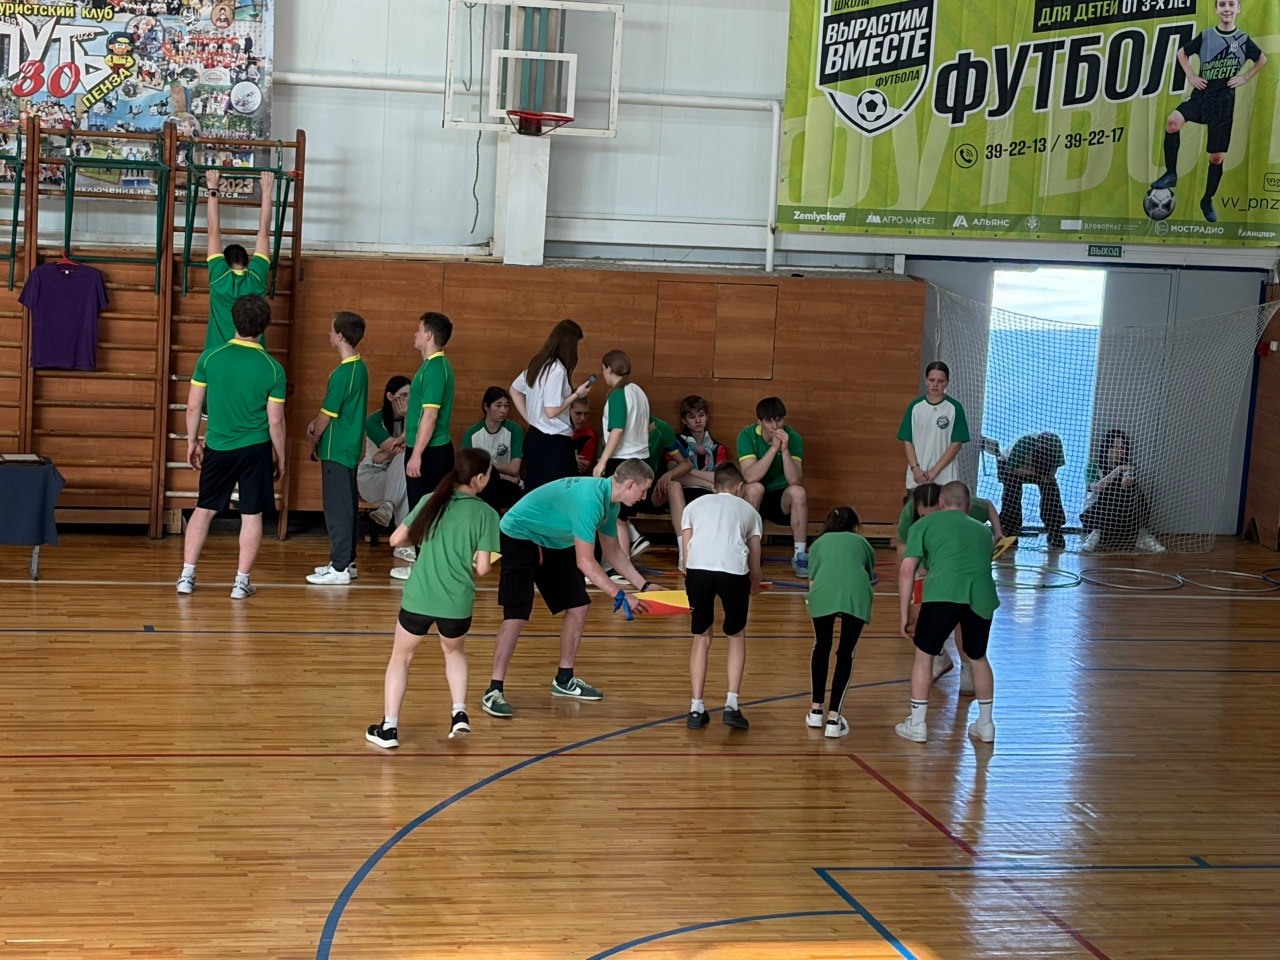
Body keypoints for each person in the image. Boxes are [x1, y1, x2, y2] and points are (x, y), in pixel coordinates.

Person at [483, 460, 660, 719]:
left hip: (553, 540)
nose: (644, 497)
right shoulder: (590, 501)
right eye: (643, 490)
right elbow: (585, 562)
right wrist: (621, 595)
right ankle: (494, 689)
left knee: (579, 604)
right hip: (519, 534)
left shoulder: (610, 503)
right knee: (517, 613)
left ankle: (564, 679)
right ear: (630, 484)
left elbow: (612, 551)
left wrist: (643, 585)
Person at [365, 450, 500, 748]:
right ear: (479, 478)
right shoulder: (487, 514)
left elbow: (395, 539)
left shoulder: (431, 499)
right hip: (457, 602)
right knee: (454, 652)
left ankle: (389, 728)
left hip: (420, 597)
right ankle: (459, 713)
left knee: (401, 657)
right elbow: (482, 568)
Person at [177, 294, 285, 599]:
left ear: (233, 321)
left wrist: (192, 441)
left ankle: (186, 577)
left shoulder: (210, 358)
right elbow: (275, 421)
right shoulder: (273, 368)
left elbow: (193, 406)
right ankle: (241, 583)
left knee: (203, 509)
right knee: (251, 514)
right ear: (265, 325)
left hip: (218, 446)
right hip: (255, 448)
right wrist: (281, 457)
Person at [897, 481, 998, 744]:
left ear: (941, 503)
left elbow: (907, 570)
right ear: (968, 506)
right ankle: (986, 725)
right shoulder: (984, 531)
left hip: (942, 594)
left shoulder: (923, 525)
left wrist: (905, 613)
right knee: (978, 657)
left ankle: (917, 724)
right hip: (980, 597)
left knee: (924, 657)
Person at [1151, 0, 1266, 223]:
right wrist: (1191, 75)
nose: (1226, 8)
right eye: (1222, 4)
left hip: (1223, 103)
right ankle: (1171, 173)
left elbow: (1262, 59)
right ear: (1216, 9)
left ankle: (1207, 199)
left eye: (1231, 4)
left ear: (1238, 8)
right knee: (1173, 122)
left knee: (1216, 157)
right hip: (1201, 96)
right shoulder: (1206, 36)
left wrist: (1244, 77)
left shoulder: (1243, 40)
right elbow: (1182, 53)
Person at [682, 463, 762, 731]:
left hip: (698, 571)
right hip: (733, 571)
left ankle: (696, 708)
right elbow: (755, 557)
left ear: (713, 486)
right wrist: (755, 584)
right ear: (739, 487)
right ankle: (732, 705)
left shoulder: (693, 506)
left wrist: (690, 577)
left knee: (701, 637)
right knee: (736, 634)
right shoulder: (749, 511)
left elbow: (687, 551)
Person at [305, 312, 369, 585]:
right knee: (347, 506)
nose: (328, 334)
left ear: (340, 336)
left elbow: (327, 414)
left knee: (337, 510)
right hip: (349, 448)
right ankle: (347, 562)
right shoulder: (360, 367)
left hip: (336, 449)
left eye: (331, 330)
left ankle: (340, 567)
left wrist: (314, 435)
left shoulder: (343, 373)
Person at [805, 506, 876, 739]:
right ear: (855, 526)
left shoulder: (818, 544)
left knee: (821, 645)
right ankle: (834, 719)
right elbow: (869, 572)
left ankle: (816, 711)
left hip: (823, 593)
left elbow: (812, 580)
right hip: (855, 595)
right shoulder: (862, 543)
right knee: (846, 652)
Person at [397, 312, 456, 579]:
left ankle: (426, 569)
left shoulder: (435, 368)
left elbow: (430, 416)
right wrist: (406, 438)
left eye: (419, 329)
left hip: (431, 453)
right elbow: (420, 413)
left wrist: (417, 454)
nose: (415, 334)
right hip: (424, 448)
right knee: (422, 509)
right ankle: (425, 566)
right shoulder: (430, 366)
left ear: (429, 335)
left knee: (426, 511)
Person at [510, 319, 594, 490]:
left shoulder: (538, 363)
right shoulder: (557, 369)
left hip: (534, 437)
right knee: (562, 493)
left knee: (536, 493)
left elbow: (514, 390)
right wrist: (577, 395)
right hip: (553, 444)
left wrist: (532, 419)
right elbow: (551, 411)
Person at [738, 397, 809, 578]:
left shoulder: (793, 437)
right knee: (755, 488)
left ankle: (800, 556)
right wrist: (772, 449)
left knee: (799, 492)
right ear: (759, 422)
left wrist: (784, 450)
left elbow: (795, 480)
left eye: (779, 420)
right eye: (769, 421)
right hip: (755, 498)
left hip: (781, 499)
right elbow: (749, 476)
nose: (775, 426)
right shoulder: (747, 435)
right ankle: (748, 551)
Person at [203, 168, 274, 350]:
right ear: (248, 262)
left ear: (225, 263)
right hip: (253, 355)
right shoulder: (256, 277)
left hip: (219, 354)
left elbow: (213, 230)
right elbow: (264, 232)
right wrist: (266, 191)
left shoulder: (220, 277)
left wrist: (213, 188)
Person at [593, 350, 652, 551]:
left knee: (616, 516)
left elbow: (617, 429)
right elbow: (650, 426)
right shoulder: (639, 391)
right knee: (620, 516)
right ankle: (632, 540)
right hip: (642, 459)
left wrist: (602, 462)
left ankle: (623, 557)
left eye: (603, 369)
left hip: (622, 460)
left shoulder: (618, 394)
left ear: (608, 369)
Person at [1081, 429, 1165, 554]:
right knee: (1110, 489)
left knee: (1134, 488)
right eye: (1114, 447)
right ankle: (1095, 534)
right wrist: (1118, 469)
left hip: (1121, 520)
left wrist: (1127, 477)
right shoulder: (1092, 466)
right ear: (1106, 447)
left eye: (1122, 448)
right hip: (1096, 516)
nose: (1118, 451)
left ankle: (1143, 536)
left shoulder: (1128, 466)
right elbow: (1097, 488)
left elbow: (1128, 474)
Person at [899, 360, 969, 491]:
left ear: (947, 382)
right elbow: (907, 440)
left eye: (940, 381)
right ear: (926, 380)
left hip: (945, 480)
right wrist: (915, 469)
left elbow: (956, 444)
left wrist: (934, 472)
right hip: (917, 479)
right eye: (932, 380)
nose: (935, 385)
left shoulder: (955, 408)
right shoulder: (915, 406)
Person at [358, 376, 411, 537]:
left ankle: (389, 508)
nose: (408, 400)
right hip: (372, 475)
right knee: (404, 457)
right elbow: (397, 446)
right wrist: (392, 450)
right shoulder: (374, 421)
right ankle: (404, 541)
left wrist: (387, 453)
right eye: (403, 395)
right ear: (390, 396)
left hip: (396, 480)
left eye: (410, 395)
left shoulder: (412, 418)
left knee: (408, 488)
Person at [995, 432, 1066, 549]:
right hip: (1012, 467)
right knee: (1012, 489)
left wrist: (1046, 476)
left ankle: (1055, 528)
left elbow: (1053, 472)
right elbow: (1011, 469)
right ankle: (1010, 527)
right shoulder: (1023, 445)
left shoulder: (1056, 444)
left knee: (1051, 489)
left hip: (1040, 472)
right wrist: (1037, 474)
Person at [462, 386, 524, 514]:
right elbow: (468, 470)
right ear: (486, 407)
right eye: (498, 406)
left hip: (507, 485)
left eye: (506, 406)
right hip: (481, 484)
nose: (503, 410)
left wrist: (487, 466)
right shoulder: (472, 433)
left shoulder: (514, 430)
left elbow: (514, 469)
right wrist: (505, 475)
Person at [571, 396, 597, 474]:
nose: (582, 418)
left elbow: (582, 467)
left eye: (586, 414)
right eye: (578, 413)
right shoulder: (554, 431)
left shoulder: (588, 435)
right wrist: (571, 457)